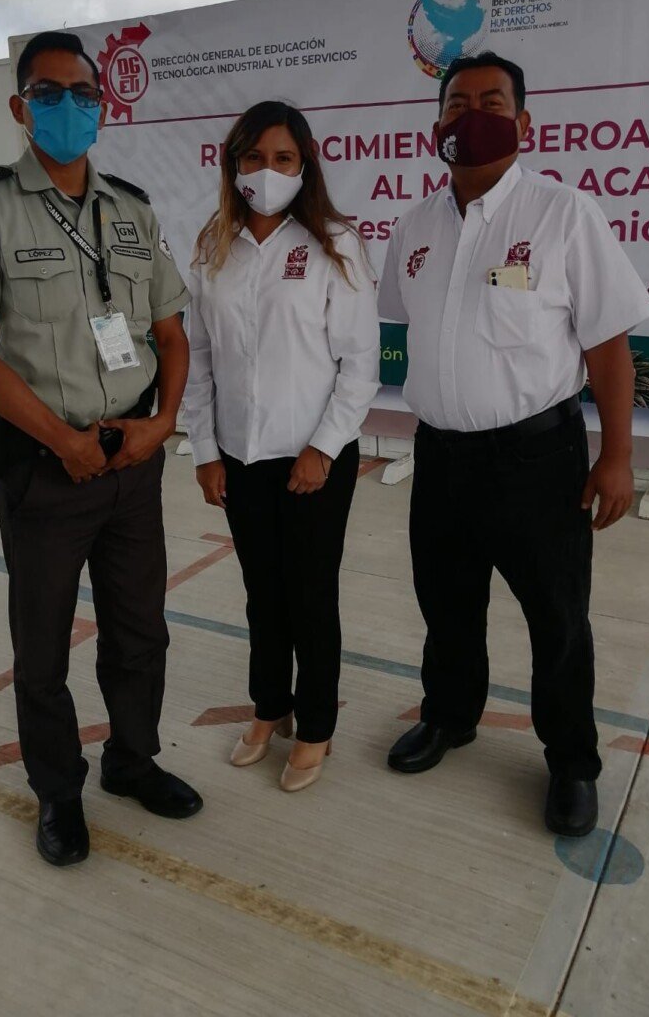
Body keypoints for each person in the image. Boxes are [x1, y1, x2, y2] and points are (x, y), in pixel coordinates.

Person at [0, 30, 203, 867]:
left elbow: (170, 336)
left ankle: (132, 760)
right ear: (21, 107)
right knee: (43, 648)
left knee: (140, 631)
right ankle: (57, 791)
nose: (68, 107)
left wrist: (162, 422)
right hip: (44, 470)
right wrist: (63, 442)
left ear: (102, 105)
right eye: (48, 94)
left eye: (82, 93)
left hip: (131, 462)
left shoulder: (133, 209)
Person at [379, 51, 649, 837]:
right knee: (446, 605)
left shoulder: (563, 214)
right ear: (436, 123)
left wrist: (616, 457)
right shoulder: (413, 227)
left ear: (523, 122)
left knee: (557, 620)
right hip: (440, 457)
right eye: (456, 103)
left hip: (537, 461)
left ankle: (570, 761)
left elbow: (607, 348)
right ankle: (448, 715)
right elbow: (410, 323)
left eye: (491, 102)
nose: (472, 115)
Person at [184, 101, 380, 792]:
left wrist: (322, 448)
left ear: (304, 166)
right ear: (233, 164)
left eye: (282, 158)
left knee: (309, 597)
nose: (266, 171)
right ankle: (271, 707)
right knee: (262, 595)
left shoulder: (334, 242)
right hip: (239, 457)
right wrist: (204, 450)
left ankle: (316, 726)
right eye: (253, 158)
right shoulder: (213, 245)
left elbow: (360, 364)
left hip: (313, 460)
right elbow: (199, 359)